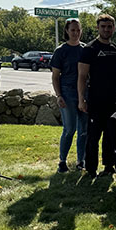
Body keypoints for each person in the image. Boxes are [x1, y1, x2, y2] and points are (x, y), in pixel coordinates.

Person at [78, 13, 116, 178]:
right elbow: (82, 76)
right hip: (95, 99)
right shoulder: (89, 49)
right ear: (98, 28)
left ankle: (109, 166)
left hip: (113, 99)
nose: (106, 29)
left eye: (109, 27)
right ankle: (91, 169)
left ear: (114, 28)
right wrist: (81, 99)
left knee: (110, 135)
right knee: (93, 136)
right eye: (103, 27)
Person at [50, 18, 88, 173]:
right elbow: (55, 76)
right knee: (69, 129)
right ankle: (62, 161)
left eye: (78, 30)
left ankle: (81, 161)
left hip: (84, 93)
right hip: (67, 93)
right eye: (72, 30)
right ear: (67, 31)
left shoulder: (85, 49)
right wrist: (59, 95)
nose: (76, 33)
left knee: (84, 130)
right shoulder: (61, 51)